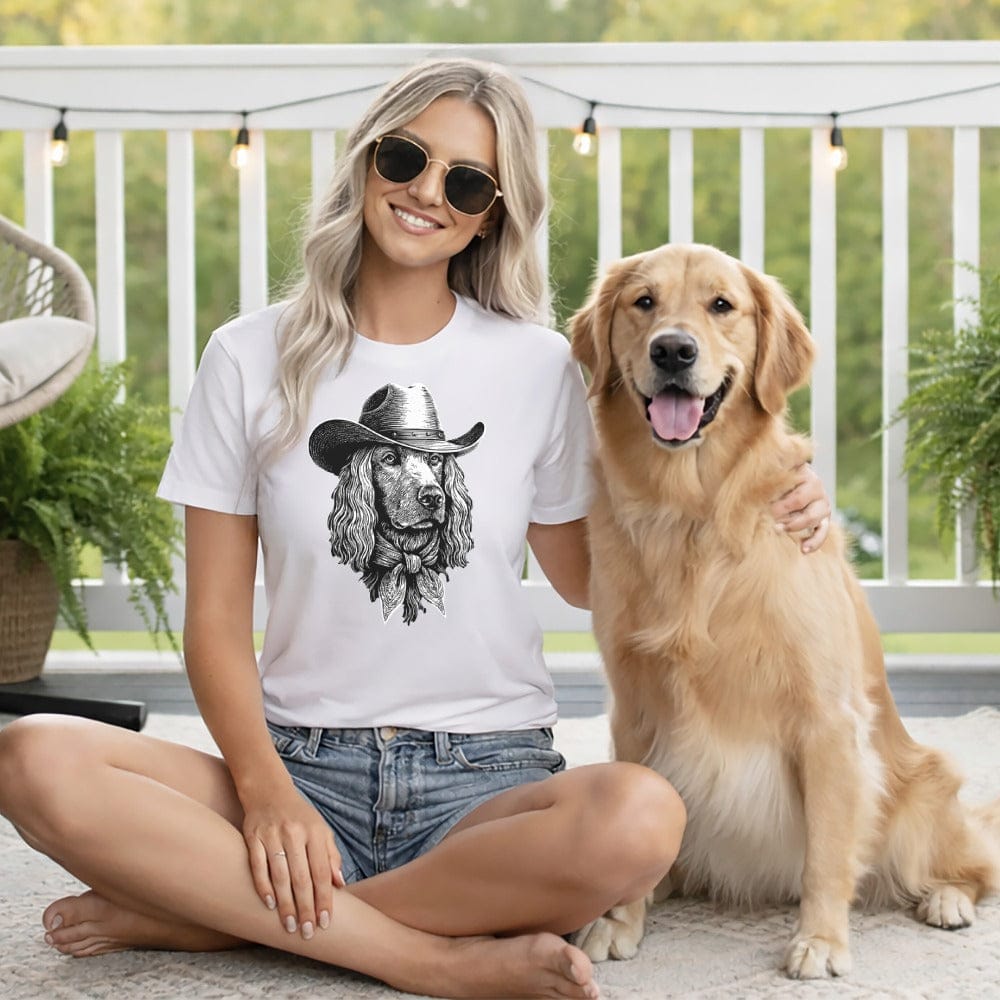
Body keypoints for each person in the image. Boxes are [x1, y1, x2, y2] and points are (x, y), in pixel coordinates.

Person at [0, 58, 831, 999]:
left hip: (486, 778)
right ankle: (425, 955)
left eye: (466, 183)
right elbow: (215, 626)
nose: (428, 192)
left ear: (492, 216)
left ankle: (213, 915)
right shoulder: (244, 356)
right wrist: (268, 799)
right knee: (35, 756)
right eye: (406, 158)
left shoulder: (538, 366)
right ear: (366, 160)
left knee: (641, 819)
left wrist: (766, 496)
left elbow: (595, 576)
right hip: (298, 760)